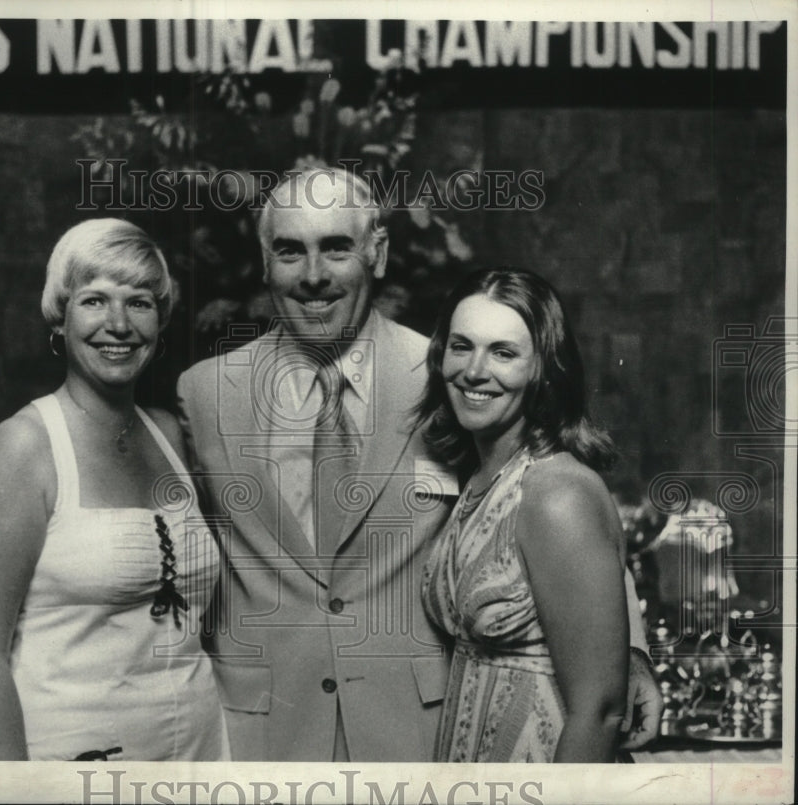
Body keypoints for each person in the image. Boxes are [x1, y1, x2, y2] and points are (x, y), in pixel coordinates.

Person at [177, 167, 660, 761]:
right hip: (265, 734)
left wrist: (627, 652)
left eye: (336, 247)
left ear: (376, 253)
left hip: (419, 735)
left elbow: (558, 495)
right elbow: (167, 555)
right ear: (264, 262)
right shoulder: (203, 395)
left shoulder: (448, 374)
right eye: (289, 251)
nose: (313, 276)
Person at [0, 218, 229, 761]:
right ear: (60, 317)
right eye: (95, 301)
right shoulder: (23, 448)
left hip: (200, 755)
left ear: (161, 320)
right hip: (74, 767)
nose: (119, 324)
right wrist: (15, 796)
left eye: (140, 303)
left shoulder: (170, 435)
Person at [417, 267, 631, 762]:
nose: (474, 371)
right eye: (461, 346)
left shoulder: (556, 495)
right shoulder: (479, 475)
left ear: (542, 369)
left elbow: (600, 710)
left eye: (504, 352)